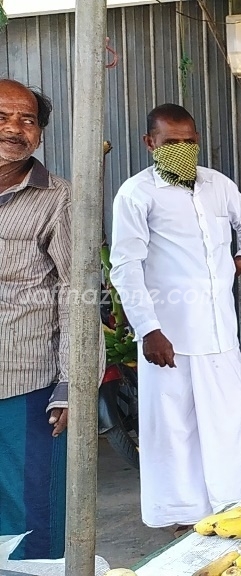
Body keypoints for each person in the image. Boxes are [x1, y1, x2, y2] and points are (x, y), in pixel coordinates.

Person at [109, 103, 241, 533]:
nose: (181, 149)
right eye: (170, 143)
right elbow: (125, 265)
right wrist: (148, 330)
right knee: (175, 428)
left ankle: (233, 504)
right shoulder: (136, 194)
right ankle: (184, 514)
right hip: (169, 336)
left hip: (219, 332)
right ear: (150, 143)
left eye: (189, 142)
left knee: (232, 418)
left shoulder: (217, 185)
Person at [0, 79, 70, 560]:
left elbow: (78, 294)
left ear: (40, 134)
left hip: (24, 383)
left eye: (27, 119)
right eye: (3, 116)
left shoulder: (58, 197)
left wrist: (72, 385)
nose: (15, 128)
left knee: (29, 520)